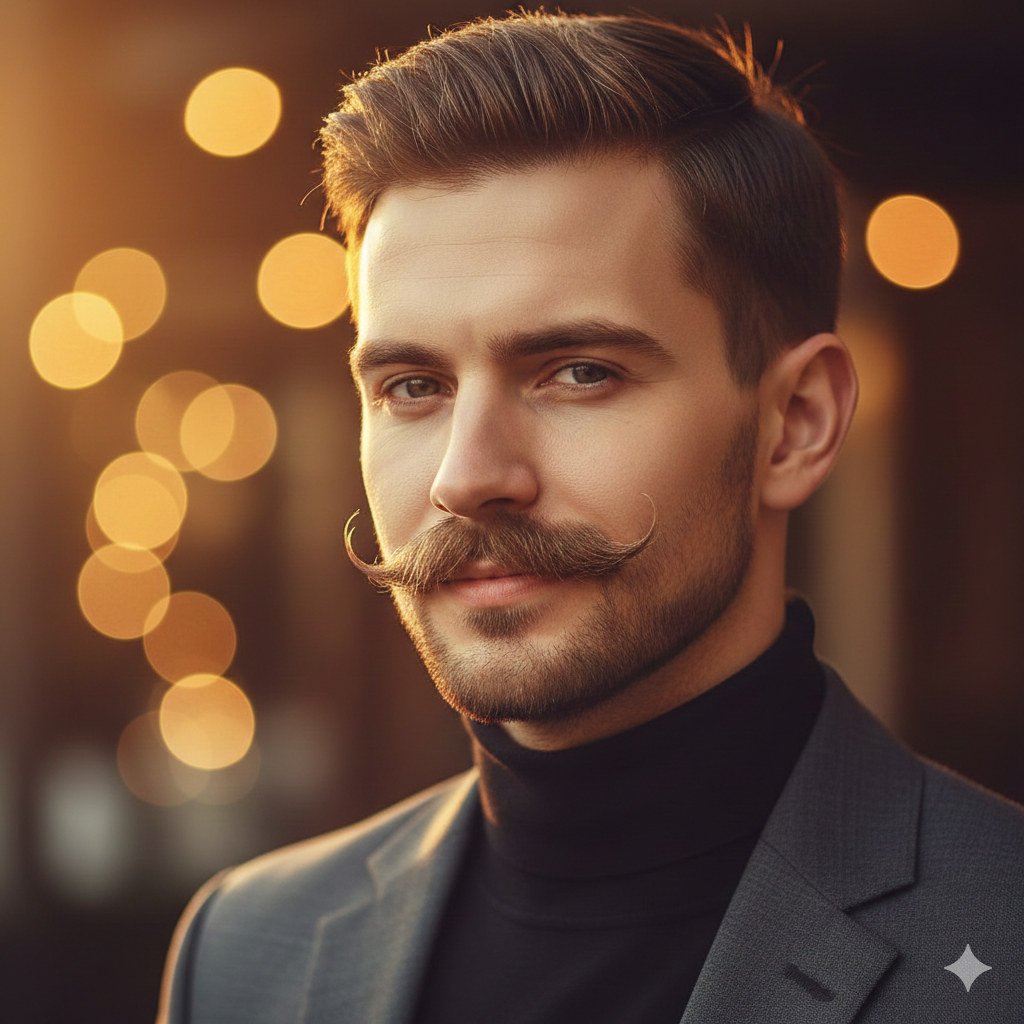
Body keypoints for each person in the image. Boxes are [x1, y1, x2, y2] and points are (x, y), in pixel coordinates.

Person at [157, 11, 1024, 1022]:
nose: (466, 477)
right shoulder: (245, 951)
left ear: (794, 423)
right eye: (410, 386)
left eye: (578, 371)